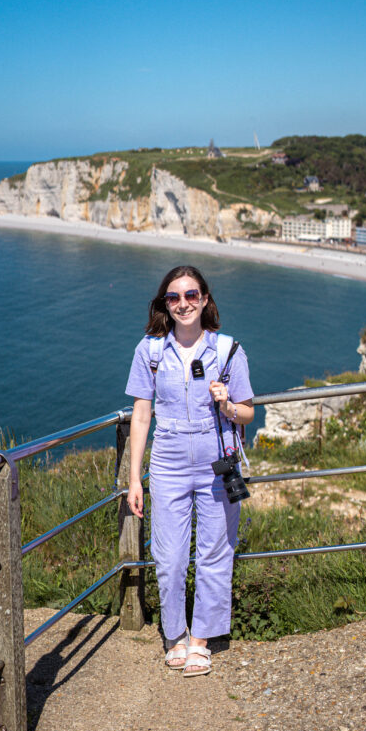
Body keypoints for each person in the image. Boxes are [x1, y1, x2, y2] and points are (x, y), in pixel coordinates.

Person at [125, 265, 254, 677]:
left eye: (191, 295)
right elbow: (141, 415)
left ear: (205, 299)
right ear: (165, 304)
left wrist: (227, 405)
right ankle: (174, 634)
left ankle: (200, 640)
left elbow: (248, 412)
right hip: (168, 462)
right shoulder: (149, 351)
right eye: (174, 297)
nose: (183, 304)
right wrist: (134, 478)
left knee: (215, 551)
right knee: (170, 555)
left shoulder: (229, 350)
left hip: (217, 462)